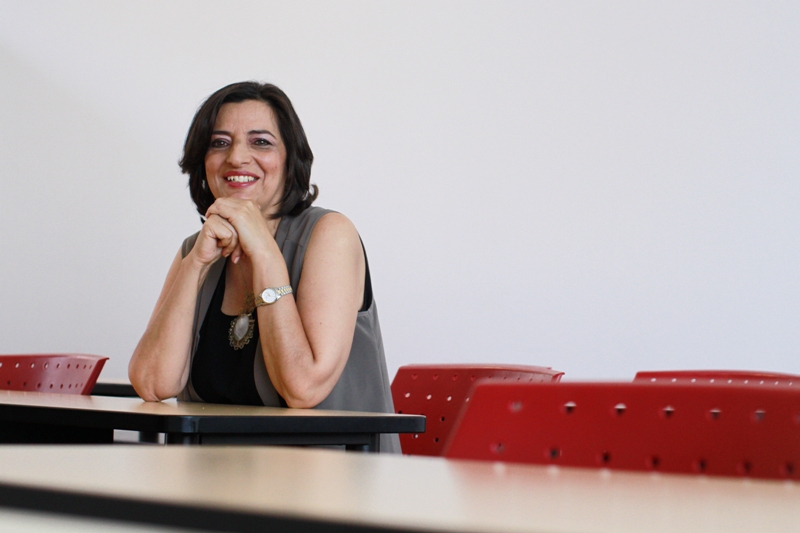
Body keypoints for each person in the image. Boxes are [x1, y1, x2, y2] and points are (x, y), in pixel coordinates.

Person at [128, 82, 398, 452]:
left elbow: (302, 388)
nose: (237, 157)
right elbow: (152, 384)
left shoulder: (330, 235)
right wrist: (196, 266)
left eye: (260, 142)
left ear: (290, 159)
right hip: (215, 480)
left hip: (328, 479)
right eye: (219, 142)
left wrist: (266, 255)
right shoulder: (196, 249)